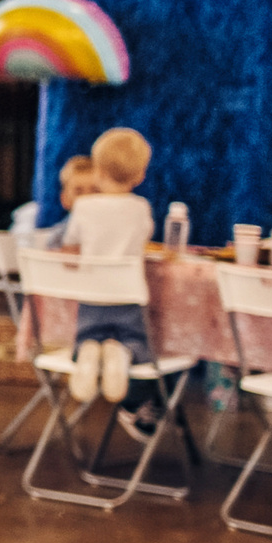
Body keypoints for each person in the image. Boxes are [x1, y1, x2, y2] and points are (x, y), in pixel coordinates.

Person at [63, 127, 157, 407]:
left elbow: (70, 245)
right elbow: (145, 237)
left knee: (87, 335)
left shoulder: (84, 208)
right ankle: (124, 352)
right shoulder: (140, 208)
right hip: (128, 295)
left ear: (98, 171)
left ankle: (87, 351)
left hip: (91, 295)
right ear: (140, 176)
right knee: (137, 341)